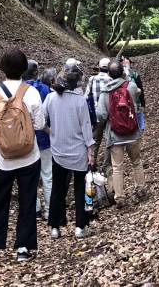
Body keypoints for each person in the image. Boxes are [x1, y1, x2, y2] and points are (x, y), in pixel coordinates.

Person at [0, 48, 45, 263]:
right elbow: (40, 124)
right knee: (27, 200)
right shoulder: (31, 92)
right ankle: (23, 248)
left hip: (1, 157)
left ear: (2, 68)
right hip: (29, 156)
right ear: (24, 69)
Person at [43, 64, 96, 239]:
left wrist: (52, 133)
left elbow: (40, 121)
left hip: (58, 152)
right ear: (76, 83)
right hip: (79, 152)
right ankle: (80, 227)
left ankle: (55, 227)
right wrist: (91, 150)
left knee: (58, 189)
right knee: (80, 188)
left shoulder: (50, 98)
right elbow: (86, 128)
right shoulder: (80, 101)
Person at [94, 60, 146, 203]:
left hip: (115, 134)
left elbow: (101, 115)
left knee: (117, 166)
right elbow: (138, 94)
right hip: (133, 131)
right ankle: (140, 189)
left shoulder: (105, 91)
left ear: (109, 74)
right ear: (122, 72)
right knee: (136, 162)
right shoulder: (131, 86)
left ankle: (120, 197)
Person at [23, 60, 53, 221]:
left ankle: (34, 209)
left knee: (29, 176)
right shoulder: (44, 89)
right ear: (36, 73)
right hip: (44, 137)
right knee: (47, 174)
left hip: (25, 139)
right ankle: (49, 209)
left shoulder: (19, 91)